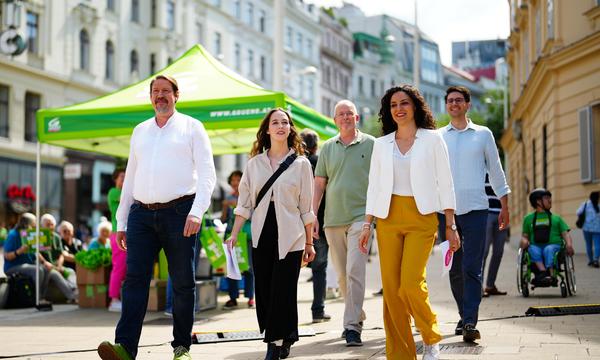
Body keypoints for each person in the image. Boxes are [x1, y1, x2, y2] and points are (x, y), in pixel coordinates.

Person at [97, 74, 216, 360]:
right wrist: (122, 221)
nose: (160, 96)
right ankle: (125, 348)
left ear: (177, 95)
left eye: (166, 91)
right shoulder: (140, 130)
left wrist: (197, 212)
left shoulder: (192, 127)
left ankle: (181, 348)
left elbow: (207, 175)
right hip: (141, 214)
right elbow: (130, 179)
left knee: (182, 281)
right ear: (151, 97)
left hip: (180, 213)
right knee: (134, 280)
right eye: (155, 91)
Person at [358, 85, 460, 360]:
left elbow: (446, 181)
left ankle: (431, 337)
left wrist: (450, 225)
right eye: (393, 105)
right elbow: (374, 186)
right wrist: (367, 224)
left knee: (411, 284)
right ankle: (401, 354)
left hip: (422, 215)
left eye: (404, 103)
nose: (399, 109)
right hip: (387, 217)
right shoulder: (381, 145)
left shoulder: (433, 139)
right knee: (391, 292)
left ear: (415, 106)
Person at [226, 108, 316, 360]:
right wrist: (233, 234)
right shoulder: (254, 165)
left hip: (292, 234)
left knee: (284, 289)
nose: (280, 126)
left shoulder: (301, 165)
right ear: (267, 130)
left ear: (290, 129)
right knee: (265, 290)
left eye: (284, 122)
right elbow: (244, 204)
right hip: (262, 231)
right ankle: (284, 335)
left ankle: (274, 344)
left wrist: (309, 242)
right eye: (275, 122)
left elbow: (307, 207)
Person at [438, 86, 511, 342]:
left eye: (459, 100)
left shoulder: (483, 134)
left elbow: (496, 170)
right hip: (446, 214)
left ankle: (470, 321)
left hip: (478, 210)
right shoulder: (438, 137)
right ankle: (463, 313)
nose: (454, 104)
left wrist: (504, 205)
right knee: (455, 269)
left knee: (472, 267)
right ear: (446, 105)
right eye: (450, 100)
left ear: (468, 104)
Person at [313, 99, 375, 346]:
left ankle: (351, 327)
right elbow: (319, 184)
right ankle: (356, 315)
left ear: (356, 118)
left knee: (354, 271)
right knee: (341, 277)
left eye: (350, 113)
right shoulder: (327, 147)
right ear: (335, 120)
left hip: (362, 218)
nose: (346, 117)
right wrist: (311, 217)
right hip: (332, 220)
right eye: (341, 114)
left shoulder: (371, 144)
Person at [3, 213, 77, 304]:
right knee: (38, 270)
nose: (35, 226)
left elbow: (35, 251)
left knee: (46, 269)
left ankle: (41, 297)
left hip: (29, 264)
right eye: (34, 224)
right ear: (27, 224)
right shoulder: (13, 235)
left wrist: (45, 262)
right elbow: (7, 256)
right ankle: (37, 298)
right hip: (13, 266)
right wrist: (19, 251)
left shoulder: (28, 233)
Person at [300, 128, 331, 323]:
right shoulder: (321, 161)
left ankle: (285, 312)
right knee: (320, 268)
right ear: (316, 145)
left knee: (291, 269)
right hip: (322, 220)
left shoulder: (294, 163)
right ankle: (318, 310)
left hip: (298, 222)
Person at [521, 188, 574, 284]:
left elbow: (565, 234)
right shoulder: (528, 219)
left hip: (554, 246)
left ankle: (551, 273)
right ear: (538, 201)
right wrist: (524, 241)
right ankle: (543, 272)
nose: (550, 200)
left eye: (550, 197)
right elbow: (525, 236)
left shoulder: (556, 218)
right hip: (536, 246)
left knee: (548, 249)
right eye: (546, 198)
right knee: (532, 248)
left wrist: (569, 245)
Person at [221, 170, 255, 310]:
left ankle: (251, 297)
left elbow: (252, 215)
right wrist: (224, 207)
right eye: (233, 180)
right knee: (231, 267)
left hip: (246, 236)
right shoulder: (228, 198)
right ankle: (233, 297)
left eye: (238, 180)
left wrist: (236, 205)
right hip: (230, 235)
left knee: (249, 268)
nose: (235, 183)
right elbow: (223, 219)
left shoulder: (249, 196)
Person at [482, 175, 509, 296]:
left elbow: (504, 190)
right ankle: (478, 287)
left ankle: (490, 285)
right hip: (485, 214)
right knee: (484, 251)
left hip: (500, 214)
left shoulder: (499, 171)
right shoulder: (479, 168)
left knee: (498, 252)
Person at [108, 167, 127, 312]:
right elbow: (127, 199)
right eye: (121, 176)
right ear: (115, 179)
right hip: (117, 233)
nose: (124, 178)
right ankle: (113, 299)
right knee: (119, 266)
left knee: (124, 268)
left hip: (124, 232)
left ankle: (118, 298)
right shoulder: (114, 192)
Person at [40, 214, 77, 287]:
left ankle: (74, 289)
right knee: (55, 275)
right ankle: (72, 295)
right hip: (44, 266)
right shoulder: (39, 236)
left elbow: (61, 254)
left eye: (52, 224)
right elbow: (36, 253)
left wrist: (59, 266)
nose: (50, 227)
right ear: (42, 225)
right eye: (48, 225)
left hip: (56, 266)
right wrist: (45, 262)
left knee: (70, 272)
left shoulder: (56, 237)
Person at [577, 191, 600, 267]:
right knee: (597, 245)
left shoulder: (585, 204)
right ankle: (596, 260)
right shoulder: (598, 205)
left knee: (588, 245)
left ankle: (591, 261)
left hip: (586, 228)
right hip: (597, 229)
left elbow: (578, 212)